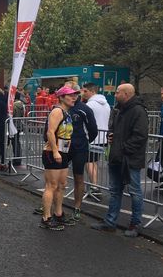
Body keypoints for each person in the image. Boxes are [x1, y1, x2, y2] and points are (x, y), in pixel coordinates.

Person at [91, 84, 148, 237]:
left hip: (130, 159)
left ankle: (135, 224)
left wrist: (123, 148)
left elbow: (140, 136)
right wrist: (111, 134)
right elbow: (113, 128)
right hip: (116, 156)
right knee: (115, 190)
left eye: (117, 92)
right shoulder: (118, 109)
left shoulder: (138, 111)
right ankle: (110, 222)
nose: (115, 94)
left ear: (127, 94)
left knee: (135, 191)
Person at [39, 86, 78, 231]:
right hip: (52, 152)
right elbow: (50, 132)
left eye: (75, 95)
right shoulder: (57, 111)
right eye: (70, 95)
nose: (74, 98)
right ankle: (46, 218)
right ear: (61, 97)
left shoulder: (67, 113)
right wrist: (55, 151)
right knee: (51, 185)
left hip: (64, 152)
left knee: (62, 184)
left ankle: (58, 213)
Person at [66, 84, 98, 223]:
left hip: (79, 148)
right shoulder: (61, 108)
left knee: (78, 177)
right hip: (63, 148)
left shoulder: (84, 109)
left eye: (73, 92)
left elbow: (93, 130)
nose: (70, 95)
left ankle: (77, 208)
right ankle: (52, 206)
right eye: (68, 92)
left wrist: (83, 142)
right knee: (57, 177)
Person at [81, 83, 111, 196]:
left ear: (92, 91)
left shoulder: (90, 105)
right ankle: (95, 185)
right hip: (103, 138)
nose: (83, 93)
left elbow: (86, 122)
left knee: (89, 162)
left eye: (85, 91)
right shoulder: (106, 104)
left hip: (92, 138)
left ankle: (94, 186)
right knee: (93, 162)